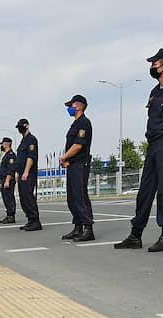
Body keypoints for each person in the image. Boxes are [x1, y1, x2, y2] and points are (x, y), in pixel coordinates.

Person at [115, 48, 163, 252]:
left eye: (154, 63)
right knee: (144, 192)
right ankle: (135, 235)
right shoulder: (155, 91)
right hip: (153, 145)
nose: (151, 66)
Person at [60, 94, 95, 242]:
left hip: (80, 164)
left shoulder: (84, 123)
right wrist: (66, 160)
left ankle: (88, 228)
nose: (69, 108)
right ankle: (78, 227)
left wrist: (64, 157)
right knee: (72, 198)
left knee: (80, 197)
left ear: (79, 106)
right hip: (72, 165)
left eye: (71, 105)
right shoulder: (75, 124)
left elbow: (78, 145)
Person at [14, 118, 41, 231]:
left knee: (28, 196)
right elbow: (20, 159)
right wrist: (17, 172)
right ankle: (30, 219)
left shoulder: (31, 140)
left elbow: (30, 157)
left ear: (27, 125)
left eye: (22, 126)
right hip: (21, 173)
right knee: (23, 198)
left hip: (28, 173)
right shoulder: (22, 141)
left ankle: (35, 221)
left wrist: (25, 172)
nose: (20, 128)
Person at [0, 137, 16, 223]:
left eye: (2, 144)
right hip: (4, 179)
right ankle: (8, 215)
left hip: (8, 180)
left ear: (6, 144)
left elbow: (11, 169)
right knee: (6, 198)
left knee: (9, 198)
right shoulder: (6, 155)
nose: (1, 145)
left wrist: (7, 181)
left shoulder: (11, 155)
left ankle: (11, 216)